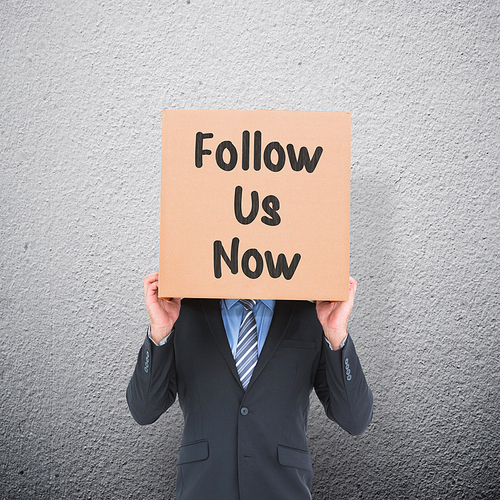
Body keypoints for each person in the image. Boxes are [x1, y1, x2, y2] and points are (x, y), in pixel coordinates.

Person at [127, 272, 373, 500]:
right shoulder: (183, 312)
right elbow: (145, 410)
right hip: (203, 489)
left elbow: (354, 419)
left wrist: (336, 333)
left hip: (283, 489)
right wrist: (160, 330)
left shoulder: (310, 315)